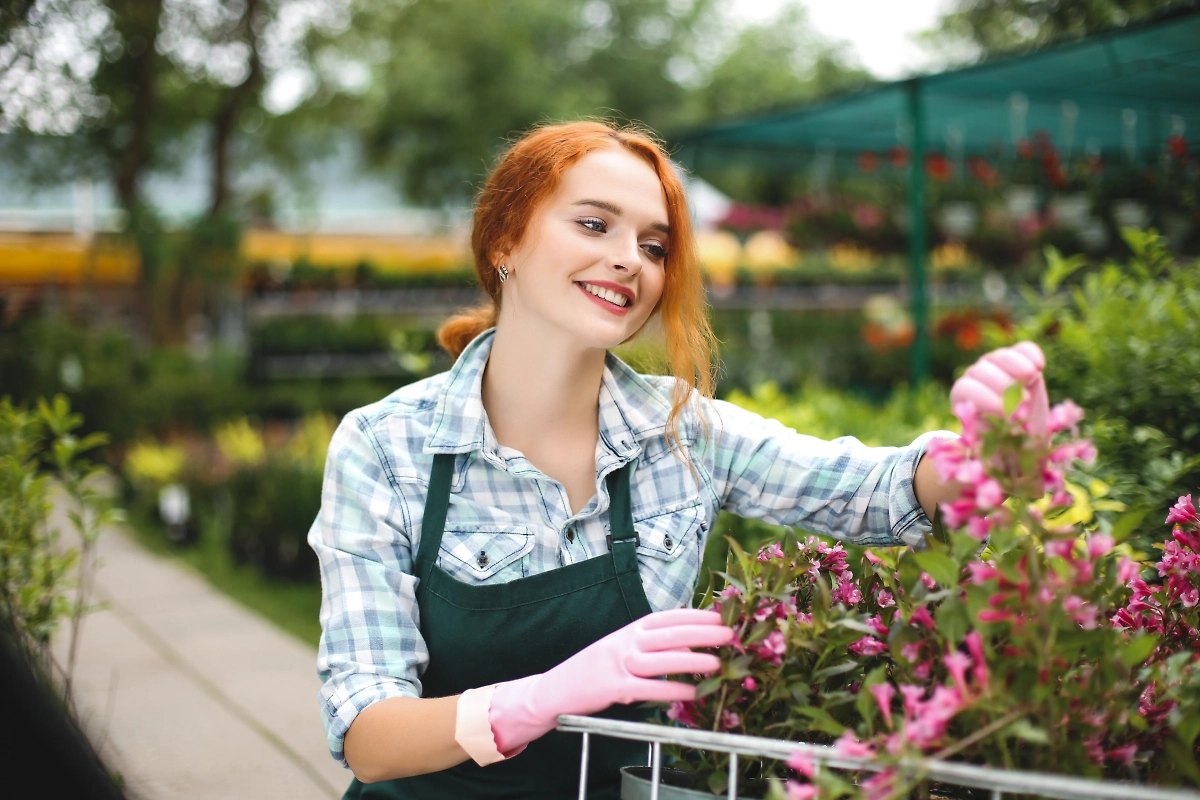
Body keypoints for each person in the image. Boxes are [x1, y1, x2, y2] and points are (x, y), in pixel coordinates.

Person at [307, 120, 1048, 799]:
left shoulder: (683, 432)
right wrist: (541, 697)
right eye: (594, 223)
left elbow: (877, 493)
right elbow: (368, 735)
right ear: (505, 240)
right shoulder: (389, 448)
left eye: (655, 246)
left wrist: (992, 451)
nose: (629, 260)